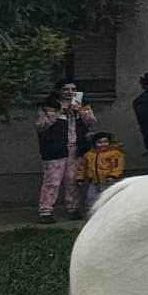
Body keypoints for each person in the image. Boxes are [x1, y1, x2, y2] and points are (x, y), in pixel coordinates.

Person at [33, 80, 94, 222]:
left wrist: (79, 110)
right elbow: (41, 126)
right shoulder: (49, 106)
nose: (70, 92)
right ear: (59, 90)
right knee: (52, 181)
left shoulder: (82, 104)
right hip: (55, 148)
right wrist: (60, 112)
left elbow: (91, 122)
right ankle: (45, 212)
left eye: (73, 89)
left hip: (75, 148)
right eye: (66, 89)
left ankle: (72, 209)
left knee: (72, 180)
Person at [77, 131, 126, 210]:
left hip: (108, 181)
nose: (103, 144)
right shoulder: (89, 155)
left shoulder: (114, 153)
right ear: (94, 144)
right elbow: (83, 167)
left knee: (109, 198)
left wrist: (113, 175)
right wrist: (80, 177)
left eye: (105, 142)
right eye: (99, 142)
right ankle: (91, 212)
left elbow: (117, 166)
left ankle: (112, 211)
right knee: (91, 199)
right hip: (93, 182)